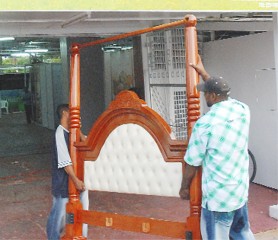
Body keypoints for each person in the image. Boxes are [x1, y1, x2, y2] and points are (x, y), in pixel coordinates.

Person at [179, 56, 255, 240]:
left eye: (206, 93)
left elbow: (192, 162)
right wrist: (204, 74)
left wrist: (184, 188)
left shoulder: (205, 124)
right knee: (242, 234)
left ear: (212, 96)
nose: (204, 96)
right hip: (239, 192)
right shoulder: (243, 110)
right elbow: (224, 97)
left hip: (218, 199)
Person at [46, 104, 88, 240]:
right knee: (57, 218)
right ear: (65, 113)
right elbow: (65, 163)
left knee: (76, 215)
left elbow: (87, 143)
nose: (76, 116)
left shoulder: (72, 132)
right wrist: (76, 180)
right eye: (72, 113)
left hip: (75, 183)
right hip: (63, 183)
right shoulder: (60, 133)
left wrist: (79, 130)